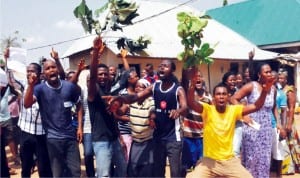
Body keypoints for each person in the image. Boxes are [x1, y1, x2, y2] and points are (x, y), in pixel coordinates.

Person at [187, 67, 274, 178]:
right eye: (218, 94)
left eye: (224, 94)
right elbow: (191, 102)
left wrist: (265, 91)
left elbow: (257, 106)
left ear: (228, 97)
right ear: (214, 98)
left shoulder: (234, 110)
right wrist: (192, 84)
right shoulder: (207, 110)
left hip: (229, 161)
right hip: (209, 161)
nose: (221, 97)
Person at [111, 59, 188, 177]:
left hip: (173, 138)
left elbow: (185, 108)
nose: (162, 68)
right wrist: (119, 98)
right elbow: (135, 97)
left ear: (172, 70)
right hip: (158, 137)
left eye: (165, 66)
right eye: (160, 66)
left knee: (175, 172)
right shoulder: (155, 86)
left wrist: (178, 111)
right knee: (157, 172)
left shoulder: (178, 89)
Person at [24, 59, 83, 177]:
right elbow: (27, 104)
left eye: (53, 67)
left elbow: (79, 104)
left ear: (57, 69)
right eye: (47, 68)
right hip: (52, 139)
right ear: (44, 74)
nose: (51, 70)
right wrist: (31, 85)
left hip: (70, 137)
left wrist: (80, 127)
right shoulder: (39, 89)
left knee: (75, 171)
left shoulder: (69, 86)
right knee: (58, 173)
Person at [88, 36, 127, 177]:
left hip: (114, 138)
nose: (103, 77)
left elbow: (127, 76)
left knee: (122, 170)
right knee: (104, 175)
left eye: (105, 74)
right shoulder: (93, 93)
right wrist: (95, 52)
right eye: (100, 75)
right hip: (101, 140)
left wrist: (119, 136)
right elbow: (92, 77)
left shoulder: (111, 92)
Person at [231, 62, 276, 178]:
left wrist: (278, 124)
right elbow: (233, 99)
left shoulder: (273, 89)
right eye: (266, 72)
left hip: (266, 129)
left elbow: (274, 108)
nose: (269, 74)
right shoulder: (252, 86)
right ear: (259, 74)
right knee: (252, 158)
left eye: (270, 71)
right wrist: (243, 115)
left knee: (265, 159)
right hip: (252, 126)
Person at [17, 62, 53, 178]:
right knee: (26, 165)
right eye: (28, 71)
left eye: (32, 71)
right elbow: (10, 79)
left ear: (39, 74)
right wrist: (8, 60)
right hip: (25, 131)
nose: (29, 73)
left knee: (43, 167)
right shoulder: (23, 85)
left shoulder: (45, 87)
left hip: (41, 133)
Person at [181, 70, 212, 173]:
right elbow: (184, 81)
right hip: (188, 135)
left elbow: (212, 114)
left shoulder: (208, 96)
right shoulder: (188, 94)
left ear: (203, 79)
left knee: (201, 165)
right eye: (195, 76)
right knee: (187, 166)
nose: (198, 78)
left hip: (203, 136)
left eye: (200, 76)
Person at [126, 78, 156, 177]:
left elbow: (152, 110)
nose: (138, 88)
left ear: (147, 90)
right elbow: (121, 111)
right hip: (135, 141)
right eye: (136, 86)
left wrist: (152, 118)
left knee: (146, 170)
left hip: (148, 141)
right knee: (133, 170)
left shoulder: (150, 101)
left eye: (141, 87)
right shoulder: (132, 100)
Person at [270, 70, 287, 177]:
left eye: (274, 77)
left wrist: (283, 128)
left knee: (278, 153)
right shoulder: (261, 91)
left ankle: (279, 175)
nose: (271, 79)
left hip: (276, 126)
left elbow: (284, 111)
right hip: (264, 127)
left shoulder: (281, 93)